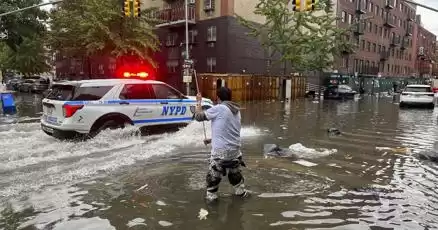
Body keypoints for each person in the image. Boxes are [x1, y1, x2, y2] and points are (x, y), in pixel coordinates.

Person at [194, 87, 248, 201]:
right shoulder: (237, 111)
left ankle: (212, 207)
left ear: (217, 98)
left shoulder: (219, 108)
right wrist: (211, 140)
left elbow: (198, 117)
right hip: (235, 153)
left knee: (212, 184)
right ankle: (240, 196)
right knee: (236, 180)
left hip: (220, 154)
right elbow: (228, 133)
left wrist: (198, 101)